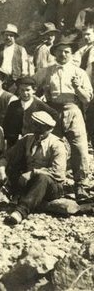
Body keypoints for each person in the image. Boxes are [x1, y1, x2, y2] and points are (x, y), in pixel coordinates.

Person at [0, 111, 67, 225]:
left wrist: (32, 173)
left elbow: (58, 173)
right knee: (0, 169)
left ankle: (20, 212)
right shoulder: (27, 139)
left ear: (48, 129)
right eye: (35, 125)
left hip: (50, 188)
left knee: (42, 178)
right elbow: (8, 156)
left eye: (40, 127)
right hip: (27, 182)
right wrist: (1, 169)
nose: (36, 129)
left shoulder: (57, 144)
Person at [35, 38, 92, 199]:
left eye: (67, 51)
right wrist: (41, 98)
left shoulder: (78, 72)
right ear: (54, 53)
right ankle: (52, 184)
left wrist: (77, 87)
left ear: (71, 53)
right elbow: (31, 86)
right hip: (52, 111)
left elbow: (87, 98)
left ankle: (80, 185)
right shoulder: (46, 71)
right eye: (60, 51)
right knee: (52, 146)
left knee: (79, 148)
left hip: (73, 109)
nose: (63, 54)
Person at [1, 76, 58, 148]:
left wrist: (46, 132)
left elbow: (54, 115)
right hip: (14, 142)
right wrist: (8, 136)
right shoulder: (13, 105)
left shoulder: (39, 105)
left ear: (34, 90)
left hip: (33, 142)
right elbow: (6, 122)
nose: (25, 93)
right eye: (22, 90)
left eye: (28, 90)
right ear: (18, 91)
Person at [0, 24, 30, 88]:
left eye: (11, 35)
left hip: (15, 82)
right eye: (6, 35)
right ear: (3, 36)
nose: (8, 37)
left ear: (15, 37)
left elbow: (25, 69)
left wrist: (21, 79)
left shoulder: (21, 50)